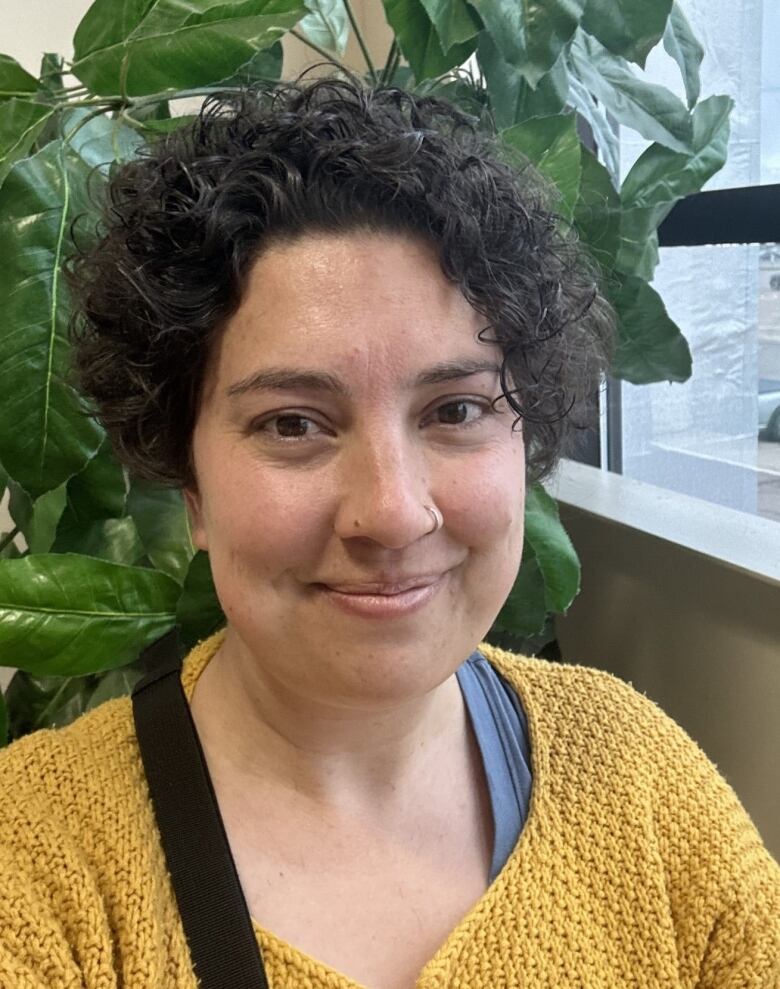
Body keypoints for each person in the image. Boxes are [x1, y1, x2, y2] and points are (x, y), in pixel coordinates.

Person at [0, 77, 778, 989]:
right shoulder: (41, 873)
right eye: (293, 423)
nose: (395, 511)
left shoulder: (639, 782)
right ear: (191, 482)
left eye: (455, 408)